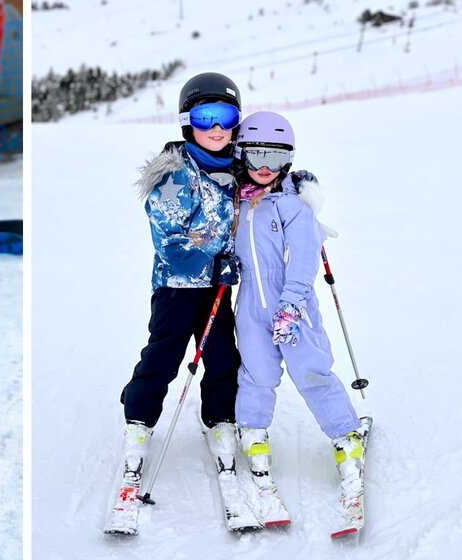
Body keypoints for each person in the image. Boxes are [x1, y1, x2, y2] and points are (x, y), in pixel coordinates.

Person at [230, 111, 364, 524]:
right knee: (256, 373)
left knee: (312, 372)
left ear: (289, 158)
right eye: (256, 155)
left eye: (275, 155)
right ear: (242, 154)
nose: (265, 166)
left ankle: (347, 439)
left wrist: (291, 304)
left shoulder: (294, 204)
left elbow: (304, 260)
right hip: (250, 300)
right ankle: (253, 437)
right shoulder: (237, 198)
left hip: (293, 304)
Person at [118, 72, 243, 497]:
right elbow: (171, 242)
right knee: (163, 355)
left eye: (225, 117)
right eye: (205, 117)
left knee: (224, 357)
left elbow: (271, 177)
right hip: (177, 289)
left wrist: (298, 185)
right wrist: (215, 260)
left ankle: (220, 419)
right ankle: (139, 422)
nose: (215, 129)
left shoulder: (238, 170)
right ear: (187, 121)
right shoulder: (174, 175)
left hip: (218, 289)